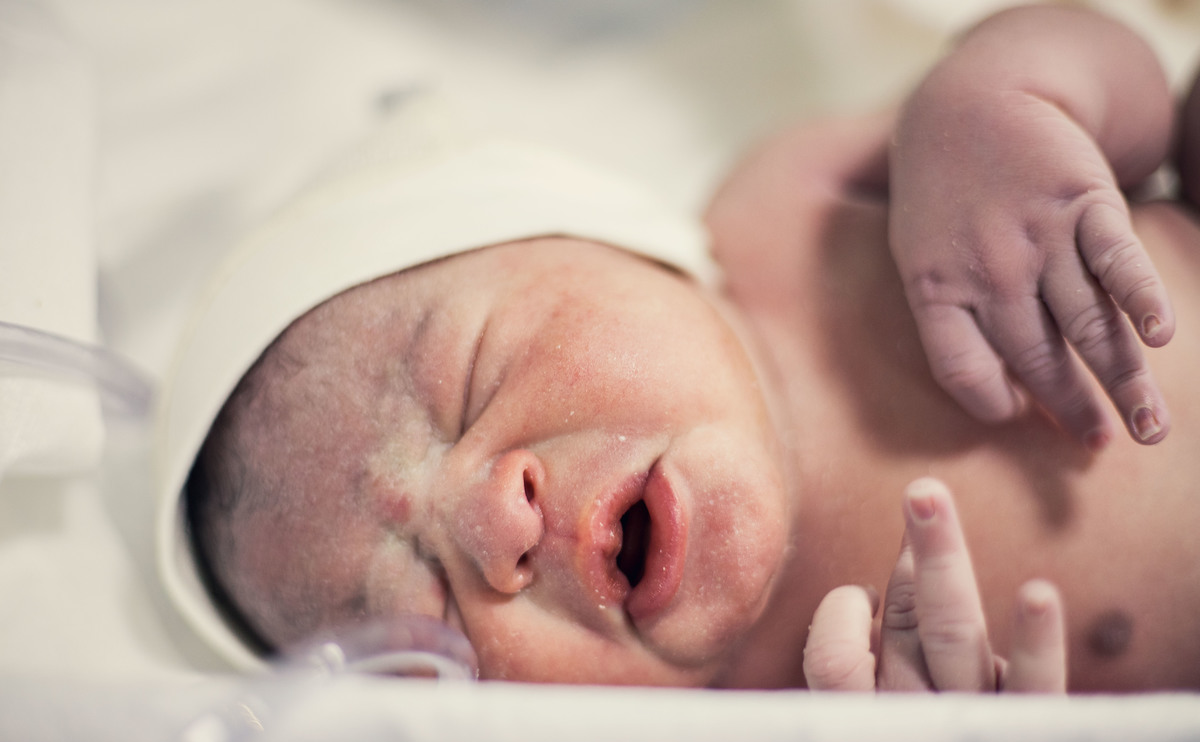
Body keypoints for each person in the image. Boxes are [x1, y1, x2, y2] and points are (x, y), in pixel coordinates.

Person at [163, 4, 1200, 692]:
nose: (493, 518)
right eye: (423, 606)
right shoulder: (782, 717)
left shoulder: (784, 220)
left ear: (610, 236)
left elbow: (1130, 83)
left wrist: (996, 103)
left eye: (476, 374)